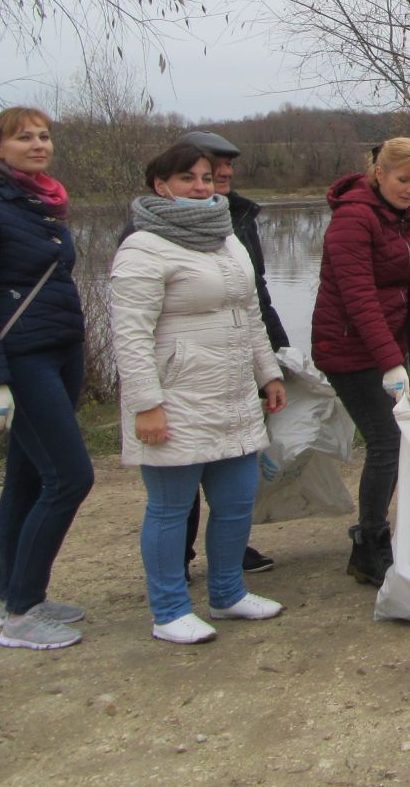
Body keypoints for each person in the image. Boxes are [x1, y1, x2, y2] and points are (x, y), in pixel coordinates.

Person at [109, 142, 288, 644]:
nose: (202, 186)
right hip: (176, 399)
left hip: (231, 395)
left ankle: (228, 593)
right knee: (170, 508)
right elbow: (129, 335)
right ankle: (168, 610)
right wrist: (146, 406)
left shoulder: (226, 238)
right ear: (161, 186)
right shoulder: (142, 247)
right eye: (188, 178)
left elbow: (250, 314)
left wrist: (267, 374)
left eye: (207, 177)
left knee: (236, 501)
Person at [0, 107, 93, 650]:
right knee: (71, 477)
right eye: (23, 138)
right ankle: (21, 614)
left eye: (44, 136)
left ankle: (12, 598)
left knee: (28, 478)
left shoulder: (43, 203)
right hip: (21, 360)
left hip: (60, 352)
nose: (38, 145)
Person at [311, 138, 410, 585]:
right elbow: (358, 298)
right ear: (379, 173)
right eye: (403, 180)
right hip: (346, 347)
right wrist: (390, 361)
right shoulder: (352, 217)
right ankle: (369, 543)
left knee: (399, 440)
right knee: (388, 440)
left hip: (388, 344)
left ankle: (380, 533)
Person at [177, 129, 284, 576]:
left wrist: (278, 352)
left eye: (226, 166)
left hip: (241, 355)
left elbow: (256, 292)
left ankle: (232, 552)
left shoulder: (239, 216)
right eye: (209, 166)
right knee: (185, 472)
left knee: (234, 466)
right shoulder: (156, 228)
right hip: (189, 368)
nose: (221, 173)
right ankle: (178, 559)